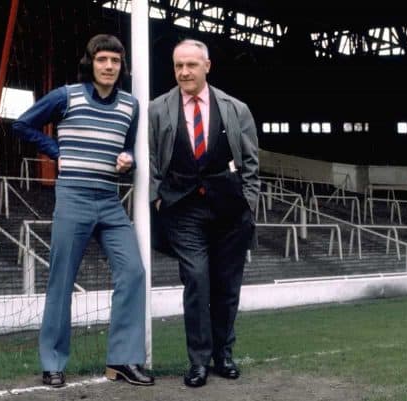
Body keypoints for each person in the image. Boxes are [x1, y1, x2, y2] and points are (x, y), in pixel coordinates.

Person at [12, 34, 154, 388]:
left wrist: (129, 159)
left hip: (109, 199)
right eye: (102, 59)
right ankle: (53, 362)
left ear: (122, 67)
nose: (108, 66)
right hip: (73, 196)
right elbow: (21, 124)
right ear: (90, 62)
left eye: (115, 61)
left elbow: (129, 149)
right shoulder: (66, 96)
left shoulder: (130, 106)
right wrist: (57, 150)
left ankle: (122, 360)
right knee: (61, 280)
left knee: (134, 272)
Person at [149, 39, 259, 387]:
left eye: (191, 65)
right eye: (178, 65)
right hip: (183, 209)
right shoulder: (157, 108)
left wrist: (249, 202)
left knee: (227, 286)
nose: (184, 72)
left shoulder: (236, 108)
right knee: (196, 279)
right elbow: (151, 158)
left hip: (229, 209)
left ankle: (223, 354)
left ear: (207, 66)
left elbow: (252, 162)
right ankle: (198, 361)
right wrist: (156, 197)